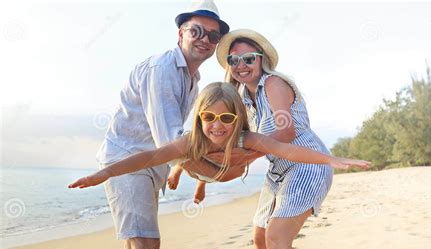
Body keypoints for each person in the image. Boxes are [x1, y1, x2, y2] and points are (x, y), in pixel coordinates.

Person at [92, 0, 235, 249]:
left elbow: (187, 138)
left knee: (135, 246)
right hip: (127, 160)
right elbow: (172, 141)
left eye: (213, 36)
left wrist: (191, 170)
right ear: (181, 33)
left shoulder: (193, 80)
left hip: (150, 166)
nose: (204, 40)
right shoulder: (163, 69)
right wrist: (217, 172)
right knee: (146, 245)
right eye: (196, 31)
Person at [214, 29, 349, 249]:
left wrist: (247, 155)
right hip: (278, 170)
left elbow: (286, 131)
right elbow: (232, 137)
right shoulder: (240, 96)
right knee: (260, 237)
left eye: (248, 58)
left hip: (306, 164)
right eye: (234, 60)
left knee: (277, 238)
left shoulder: (273, 83)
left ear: (261, 59)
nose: (241, 65)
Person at [69, 83, 369, 203]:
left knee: (203, 158)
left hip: (228, 170)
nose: (217, 125)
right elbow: (149, 157)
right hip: (200, 166)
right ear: (199, 117)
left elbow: (286, 149)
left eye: (227, 118)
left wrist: (330, 159)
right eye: (209, 117)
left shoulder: (244, 138)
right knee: (179, 156)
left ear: (237, 119)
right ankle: (188, 176)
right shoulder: (192, 140)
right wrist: (106, 172)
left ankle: (198, 180)